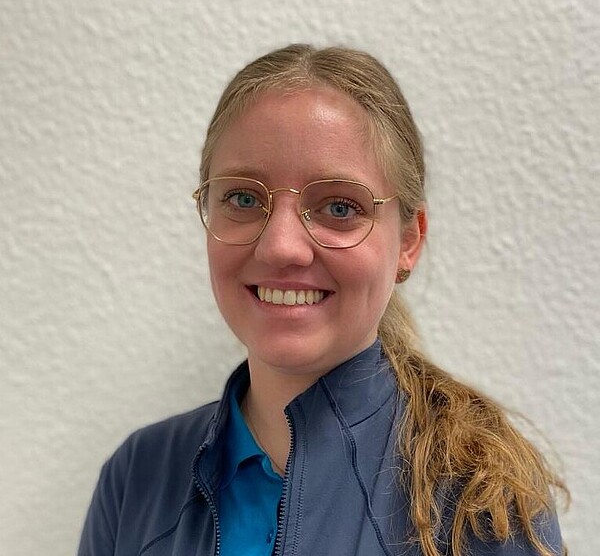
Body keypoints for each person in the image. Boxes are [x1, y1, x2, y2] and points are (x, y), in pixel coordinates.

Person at [78, 44, 567, 556]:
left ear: (409, 240)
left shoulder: (479, 497)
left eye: (339, 206)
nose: (280, 247)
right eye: (243, 198)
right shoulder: (136, 477)